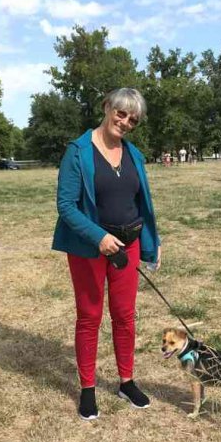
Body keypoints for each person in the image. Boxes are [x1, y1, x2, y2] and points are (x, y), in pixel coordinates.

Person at [52, 88, 161, 420]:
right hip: (89, 247)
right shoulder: (78, 152)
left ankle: (126, 381)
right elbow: (66, 206)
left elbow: (141, 203)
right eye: (121, 113)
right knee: (89, 316)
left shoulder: (133, 154)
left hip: (126, 245)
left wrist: (151, 242)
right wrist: (98, 237)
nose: (126, 122)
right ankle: (88, 388)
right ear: (106, 107)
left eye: (133, 119)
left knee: (125, 315)